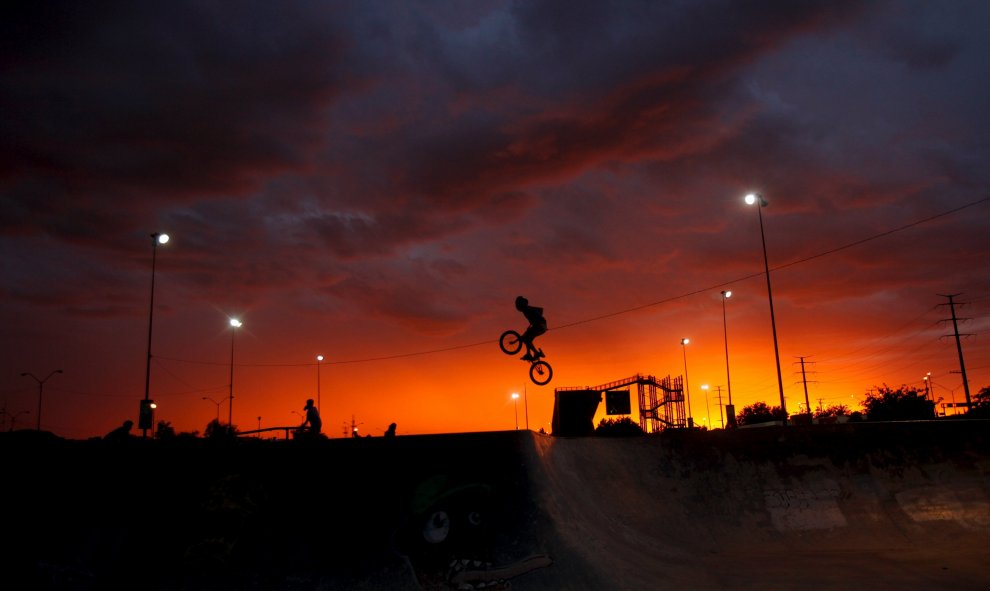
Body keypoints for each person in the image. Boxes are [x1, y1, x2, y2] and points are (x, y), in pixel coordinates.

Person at [515, 296, 547, 361]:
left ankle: (536, 353)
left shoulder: (527, 309)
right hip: (540, 326)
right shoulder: (527, 309)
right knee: (527, 339)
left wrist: (537, 320)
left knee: (526, 339)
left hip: (540, 326)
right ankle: (529, 354)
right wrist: (532, 324)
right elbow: (540, 309)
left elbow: (539, 313)